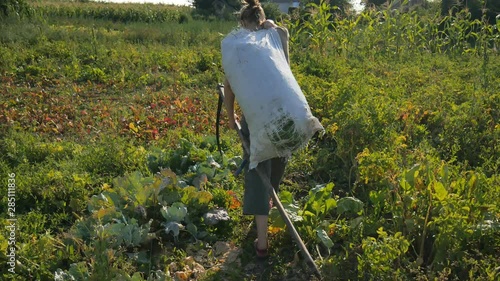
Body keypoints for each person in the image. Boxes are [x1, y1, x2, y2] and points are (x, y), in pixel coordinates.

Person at [223, 0, 290, 258]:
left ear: (243, 23)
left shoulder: (240, 48)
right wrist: (274, 28)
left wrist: (230, 117)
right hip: (285, 119)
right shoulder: (277, 38)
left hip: (257, 121)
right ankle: (266, 212)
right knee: (274, 171)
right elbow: (287, 64)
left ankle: (261, 245)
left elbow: (229, 87)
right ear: (263, 20)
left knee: (259, 176)